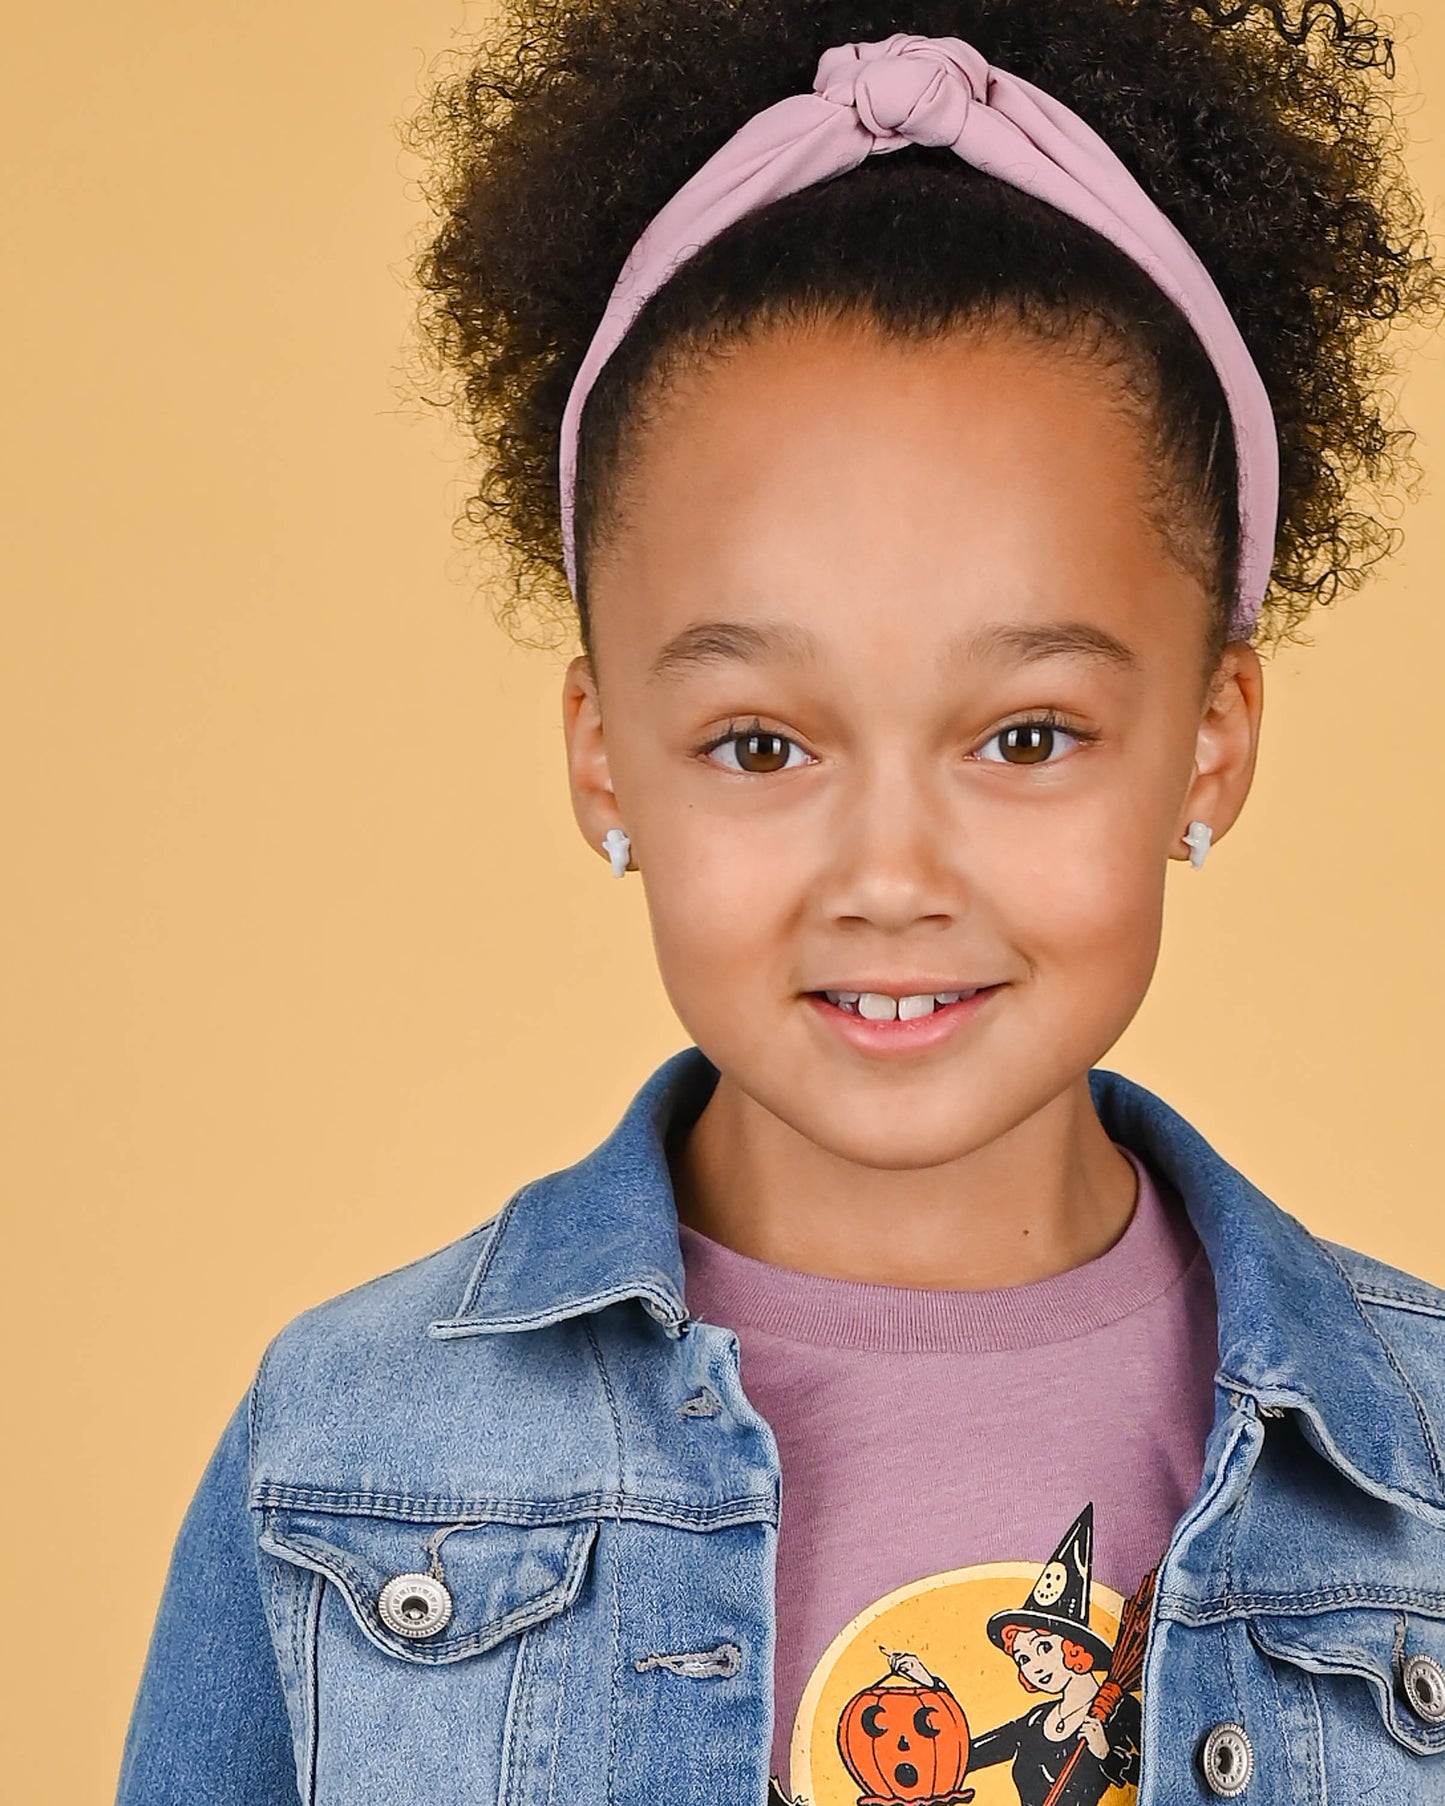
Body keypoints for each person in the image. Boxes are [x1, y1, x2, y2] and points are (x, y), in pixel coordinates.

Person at [117, 3, 1445, 1803]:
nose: (889, 877)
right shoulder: (350, 1456)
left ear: (1209, 742)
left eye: (1027, 733)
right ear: (605, 758)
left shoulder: (1422, 1474)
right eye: (759, 745)